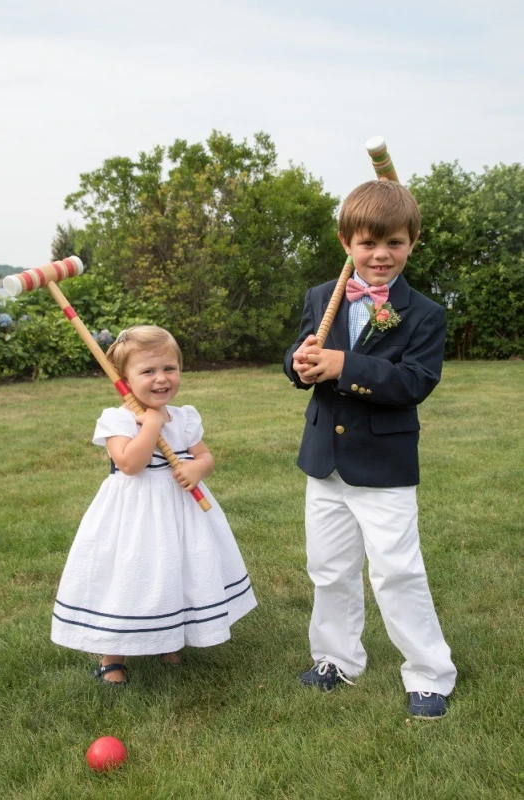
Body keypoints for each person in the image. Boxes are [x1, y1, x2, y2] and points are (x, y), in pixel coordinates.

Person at [283, 180, 456, 718]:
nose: (380, 255)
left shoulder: (424, 313)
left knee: (397, 570)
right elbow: (300, 360)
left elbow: (415, 383)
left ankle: (429, 674)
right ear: (345, 242)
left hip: (384, 466)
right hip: (325, 463)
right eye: (367, 243)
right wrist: (299, 362)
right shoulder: (321, 297)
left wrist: (345, 366)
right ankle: (336, 658)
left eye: (395, 244)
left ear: (413, 242)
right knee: (328, 568)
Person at [52, 325, 256, 684]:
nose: (161, 379)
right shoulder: (117, 419)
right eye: (148, 371)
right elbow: (130, 464)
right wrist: (151, 425)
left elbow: (205, 457)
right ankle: (112, 655)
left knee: (178, 569)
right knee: (134, 575)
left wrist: (197, 467)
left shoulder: (187, 416)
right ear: (124, 379)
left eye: (169, 368)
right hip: (135, 518)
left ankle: (168, 635)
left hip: (181, 513)